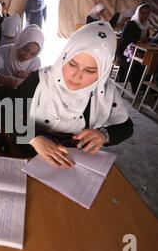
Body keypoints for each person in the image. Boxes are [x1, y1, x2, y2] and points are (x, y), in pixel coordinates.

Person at [15, 21, 133, 167]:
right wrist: (33, 138)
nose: (77, 76)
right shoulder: (39, 80)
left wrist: (103, 134)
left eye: (90, 71)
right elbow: (8, 115)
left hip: (75, 157)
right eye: (72, 64)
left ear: (103, 73)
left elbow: (126, 127)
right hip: (33, 148)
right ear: (64, 56)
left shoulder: (104, 90)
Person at [0, 24, 44, 100]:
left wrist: (28, 77)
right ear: (20, 42)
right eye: (25, 49)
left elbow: (36, 89)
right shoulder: (4, 52)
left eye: (33, 54)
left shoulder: (35, 62)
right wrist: (3, 80)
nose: (26, 56)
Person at [117, 4, 152, 92]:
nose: (145, 15)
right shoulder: (131, 23)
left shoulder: (146, 25)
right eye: (143, 13)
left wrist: (147, 40)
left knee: (149, 65)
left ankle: (144, 89)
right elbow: (125, 39)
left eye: (147, 13)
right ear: (138, 13)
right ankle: (136, 90)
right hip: (125, 53)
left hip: (139, 52)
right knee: (137, 67)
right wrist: (138, 40)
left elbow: (145, 39)